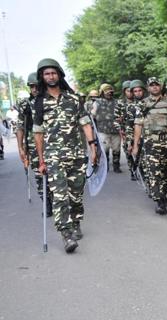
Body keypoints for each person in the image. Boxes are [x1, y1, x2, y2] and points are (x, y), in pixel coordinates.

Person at [32, 58, 98, 253]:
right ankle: (66, 234)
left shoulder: (74, 99)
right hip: (53, 157)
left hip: (77, 154)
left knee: (76, 194)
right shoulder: (39, 103)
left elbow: (85, 123)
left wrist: (93, 148)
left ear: (59, 75)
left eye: (53, 73)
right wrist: (41, 160)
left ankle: (76, 221)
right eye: (46, 74)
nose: (50, 76)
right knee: (60, 196)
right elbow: (38, 133)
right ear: (42, 77)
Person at [132, 77, 167, 215]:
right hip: (150, 144)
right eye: (151, 85)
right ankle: (158, 201)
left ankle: (163, 194)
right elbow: (138, 125)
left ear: (161, 86)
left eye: (156, 85)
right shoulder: (143, 104)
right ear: (148, 88)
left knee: (166, 171)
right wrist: (135, 144)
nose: (154, 87)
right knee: (153, 172)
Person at [15, 72, 53, 216]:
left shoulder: (50, 101)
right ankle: (47, 204)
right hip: (33, 146)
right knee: (40, 176)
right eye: (32, 86)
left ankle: (57, 202)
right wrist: (20, 148)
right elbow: (20, 127)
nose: (35, 89)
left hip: (53, 144)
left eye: (37, 86)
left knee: (55, 175)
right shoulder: (25, 105)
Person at [91, 83, 123, 173]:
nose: (109, 93)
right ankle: (106, 167)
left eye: (110, 91)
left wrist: (121, 118)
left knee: (116, 149)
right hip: (103, 130)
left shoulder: (117, 102)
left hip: (115, 130)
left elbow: (122, 114)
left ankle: (116, 166)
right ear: (102, 92)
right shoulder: (97, 102)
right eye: (107, 91)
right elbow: (92, 115)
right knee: (105, 150)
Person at [125, 80, 146, 181]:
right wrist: (130, 143)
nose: (138, 93)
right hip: (139, 139)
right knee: (142, 163)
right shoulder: (131, 107)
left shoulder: (149, 103)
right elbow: (129, 126)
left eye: (140, 90)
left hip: (152, 138)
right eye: (135, 91)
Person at [116, 80, 134, 175]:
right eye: (128, 91)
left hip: (138, 130)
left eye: (132, 90)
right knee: (128, 151)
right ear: (124, 92)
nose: (130, 93)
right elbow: (116, 119)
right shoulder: (120, 103)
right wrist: (120, 130)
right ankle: (132, 170)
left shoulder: (138, 101)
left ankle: (142, 171)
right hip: (125, 131)